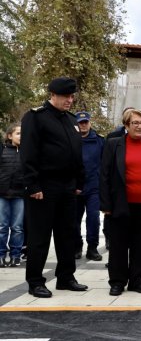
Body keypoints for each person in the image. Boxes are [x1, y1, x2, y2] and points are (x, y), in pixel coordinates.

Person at [20, 77, 87, 298]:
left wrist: (78, 182)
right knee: (39, 237)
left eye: (71, 96)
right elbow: (28, 153)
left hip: (67, 186)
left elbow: (76, 154)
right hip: (44, 186)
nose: (70, 100)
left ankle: (66, 277)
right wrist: (32, 184)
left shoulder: (70, 120)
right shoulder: (36, 117)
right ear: (52, 95)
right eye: (65, 96)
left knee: (67, 234)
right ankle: (35, 281)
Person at [100, 109, 141, 296]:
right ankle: (117, 281)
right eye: (135, 123)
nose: (140, 126)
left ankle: (137, 280)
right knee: (118, 245)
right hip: (120, 204)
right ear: (126, 125)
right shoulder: (113, 144)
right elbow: (104, 175)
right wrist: (106, 205)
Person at [74, 112, 105, 262]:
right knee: (74, 219)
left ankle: (92, 248)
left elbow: (105, 164)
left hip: (94, 187)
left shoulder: (99, 141)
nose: (83, 125)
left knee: (93, 218)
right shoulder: (70, 140)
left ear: (90, 123)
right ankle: (76, 246)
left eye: (85, 122)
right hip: (74, 188)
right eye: (80, 122)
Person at [0, 123, 24, 267]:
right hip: (2, 194)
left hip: (19, 194)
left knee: (17, 227)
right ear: (10, 136)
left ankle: (16, 255)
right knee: (2, 226)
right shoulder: (2, 150)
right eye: (18, 133)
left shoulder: (27, 152)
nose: (21, 136)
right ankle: (1, 255)